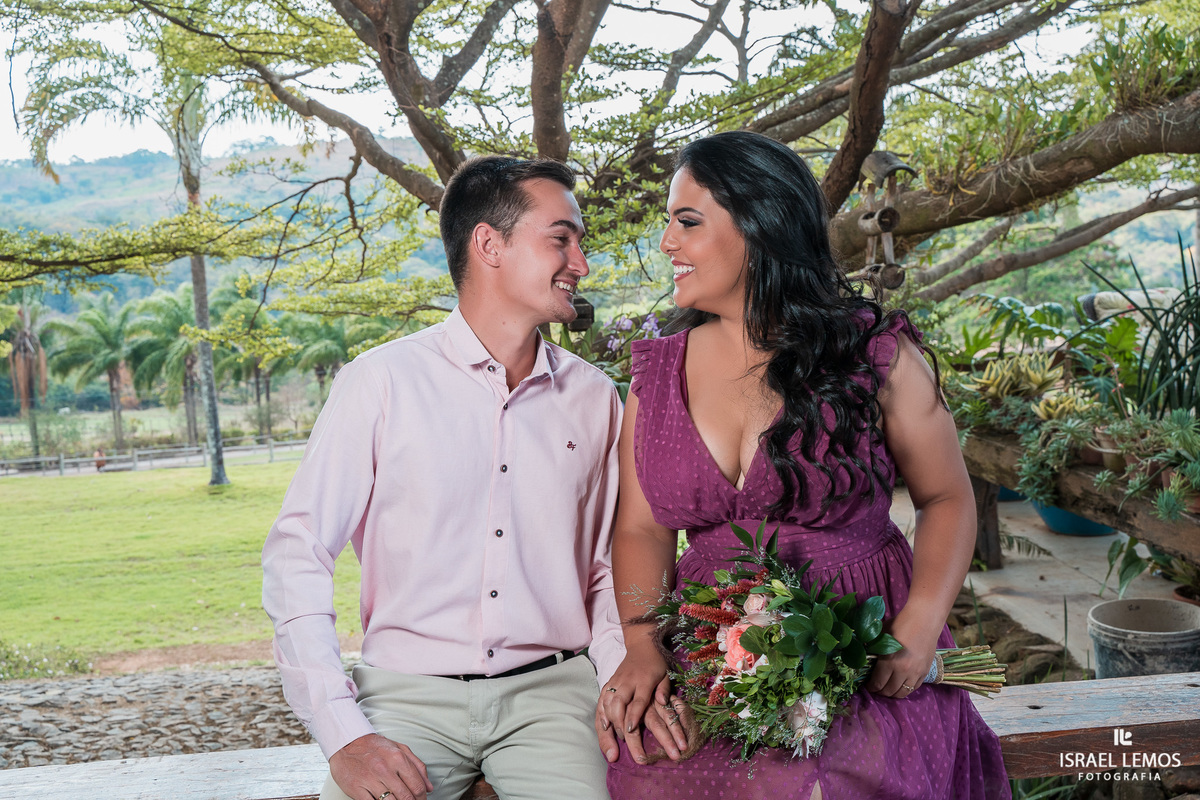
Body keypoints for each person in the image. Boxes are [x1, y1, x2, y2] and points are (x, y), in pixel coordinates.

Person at [595, 131, 1010, 799]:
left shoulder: (876, 353)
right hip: (712, 654)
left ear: (763, 224)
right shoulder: (657, 372)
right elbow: (641, 528)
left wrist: (924, 623)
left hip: (869, 645)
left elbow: (947, 499)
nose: (668, 243)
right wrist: (642, 644)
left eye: (687, 221)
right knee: (654, 771)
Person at [263, 155, 626, 800]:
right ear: (489, 244)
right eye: (561, 239)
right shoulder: (380, 383)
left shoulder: (595, 398)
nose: (581, 263)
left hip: (554, 696)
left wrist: (620, 678)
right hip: (406, 699)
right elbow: (299, 552)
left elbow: (602, 570)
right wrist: (343, 732)